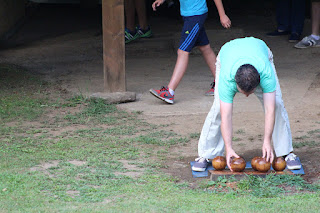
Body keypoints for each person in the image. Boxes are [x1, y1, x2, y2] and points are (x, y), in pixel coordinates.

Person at [192, 37, 302, 172]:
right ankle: (206, 154)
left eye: (251, 92)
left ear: (259, 82)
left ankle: (286, 153)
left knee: (277, 103)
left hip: (261, 51)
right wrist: (229, 147)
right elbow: (226, 116)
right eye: (243, 92)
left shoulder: (266, 75)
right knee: (218, 109)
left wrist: (267, 141)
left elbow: (270, 110)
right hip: (227, 52)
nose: (247, 96)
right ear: (235, 83)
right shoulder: (228, 79)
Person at [149, 0, 231, 104]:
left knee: (182, 51)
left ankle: (170, 91)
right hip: (190, 15)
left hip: (195, 16)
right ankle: (221, 83)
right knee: (205, 48)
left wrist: (222, 15)